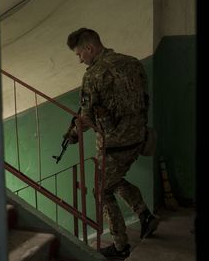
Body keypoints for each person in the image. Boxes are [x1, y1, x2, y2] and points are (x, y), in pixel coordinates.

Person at [63, 28, 159, 259]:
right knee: (113, 181)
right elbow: (144, 98)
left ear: (89, 48)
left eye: (79, 55)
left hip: (114, 144)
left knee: (101, 190)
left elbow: (85, 119)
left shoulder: (93, 75)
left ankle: (120, 246)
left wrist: (74, 135)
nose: (80, 60)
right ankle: (144, 215)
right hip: (139, 137)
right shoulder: (133, 63)